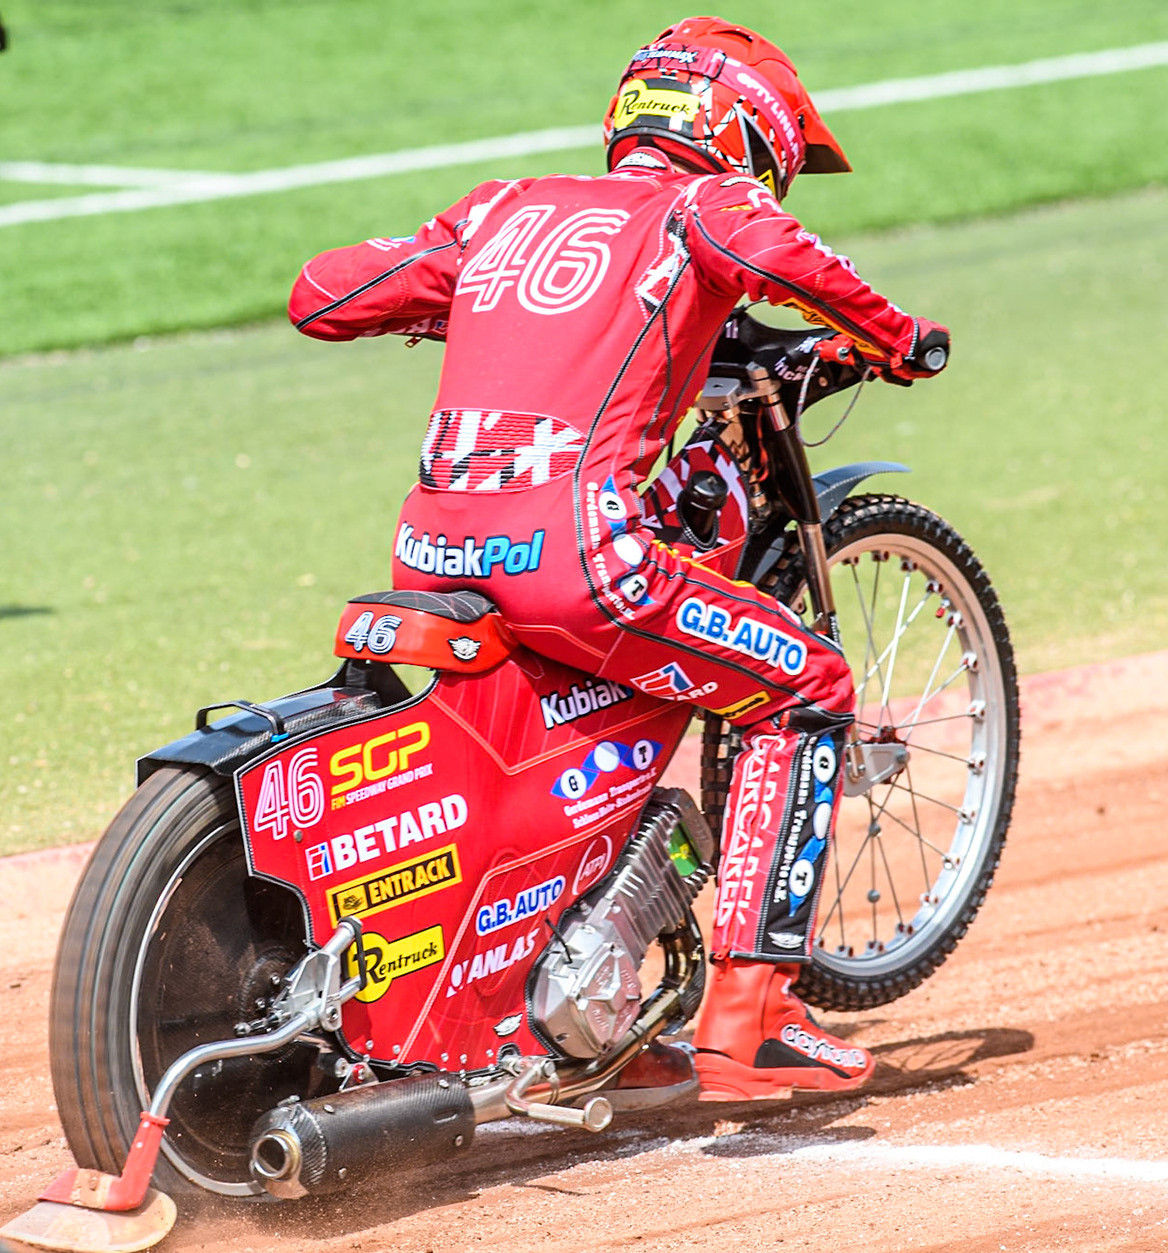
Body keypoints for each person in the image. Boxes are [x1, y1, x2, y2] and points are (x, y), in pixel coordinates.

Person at [289, 16, 949, 1102]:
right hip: (580, 560)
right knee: (806, 685)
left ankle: (585, 991)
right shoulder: (705, 205)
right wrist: (892, 333)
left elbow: (323, 294)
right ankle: (754, 1015)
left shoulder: (503, 209)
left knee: (588, 722)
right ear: (749, 131)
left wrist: (459, 301)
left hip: (434, 546)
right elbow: (781, 255)